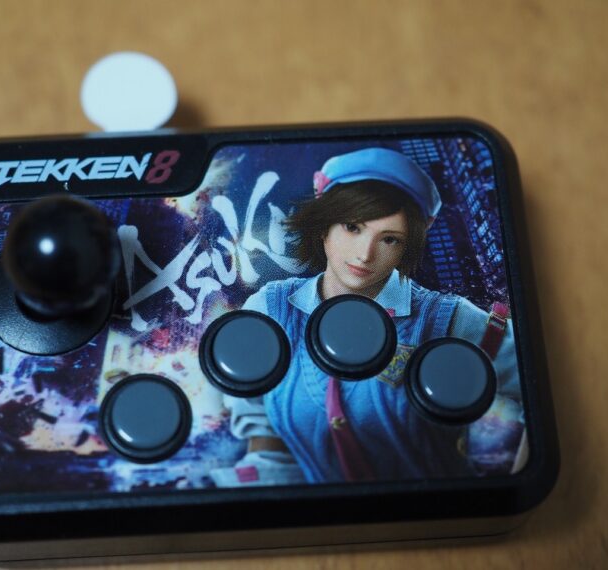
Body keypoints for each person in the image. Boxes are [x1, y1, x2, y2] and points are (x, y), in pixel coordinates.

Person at [212, 148, 524, 487]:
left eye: (389, 239)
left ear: (407, 245)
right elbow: (268, 448)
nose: (365, 254)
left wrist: (518, 480)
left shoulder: (446, 319)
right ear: (324, 225)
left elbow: (531, 376)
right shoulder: (273, 308)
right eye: (352, 227)